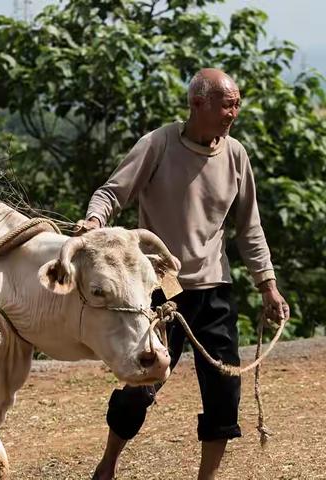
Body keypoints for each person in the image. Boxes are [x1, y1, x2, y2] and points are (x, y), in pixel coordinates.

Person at [75, 68, 290, 480]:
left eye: (236, 103)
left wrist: (268, 286)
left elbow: (249, 227)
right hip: (158, 291)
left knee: (225, 391)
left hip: (215, 291)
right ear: (197, 104)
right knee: (141, 385)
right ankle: (108, 465)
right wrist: (93, 220)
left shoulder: (236, 155)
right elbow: (111, 193)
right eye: (227, 104)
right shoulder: (158, 144)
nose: (234, 112)